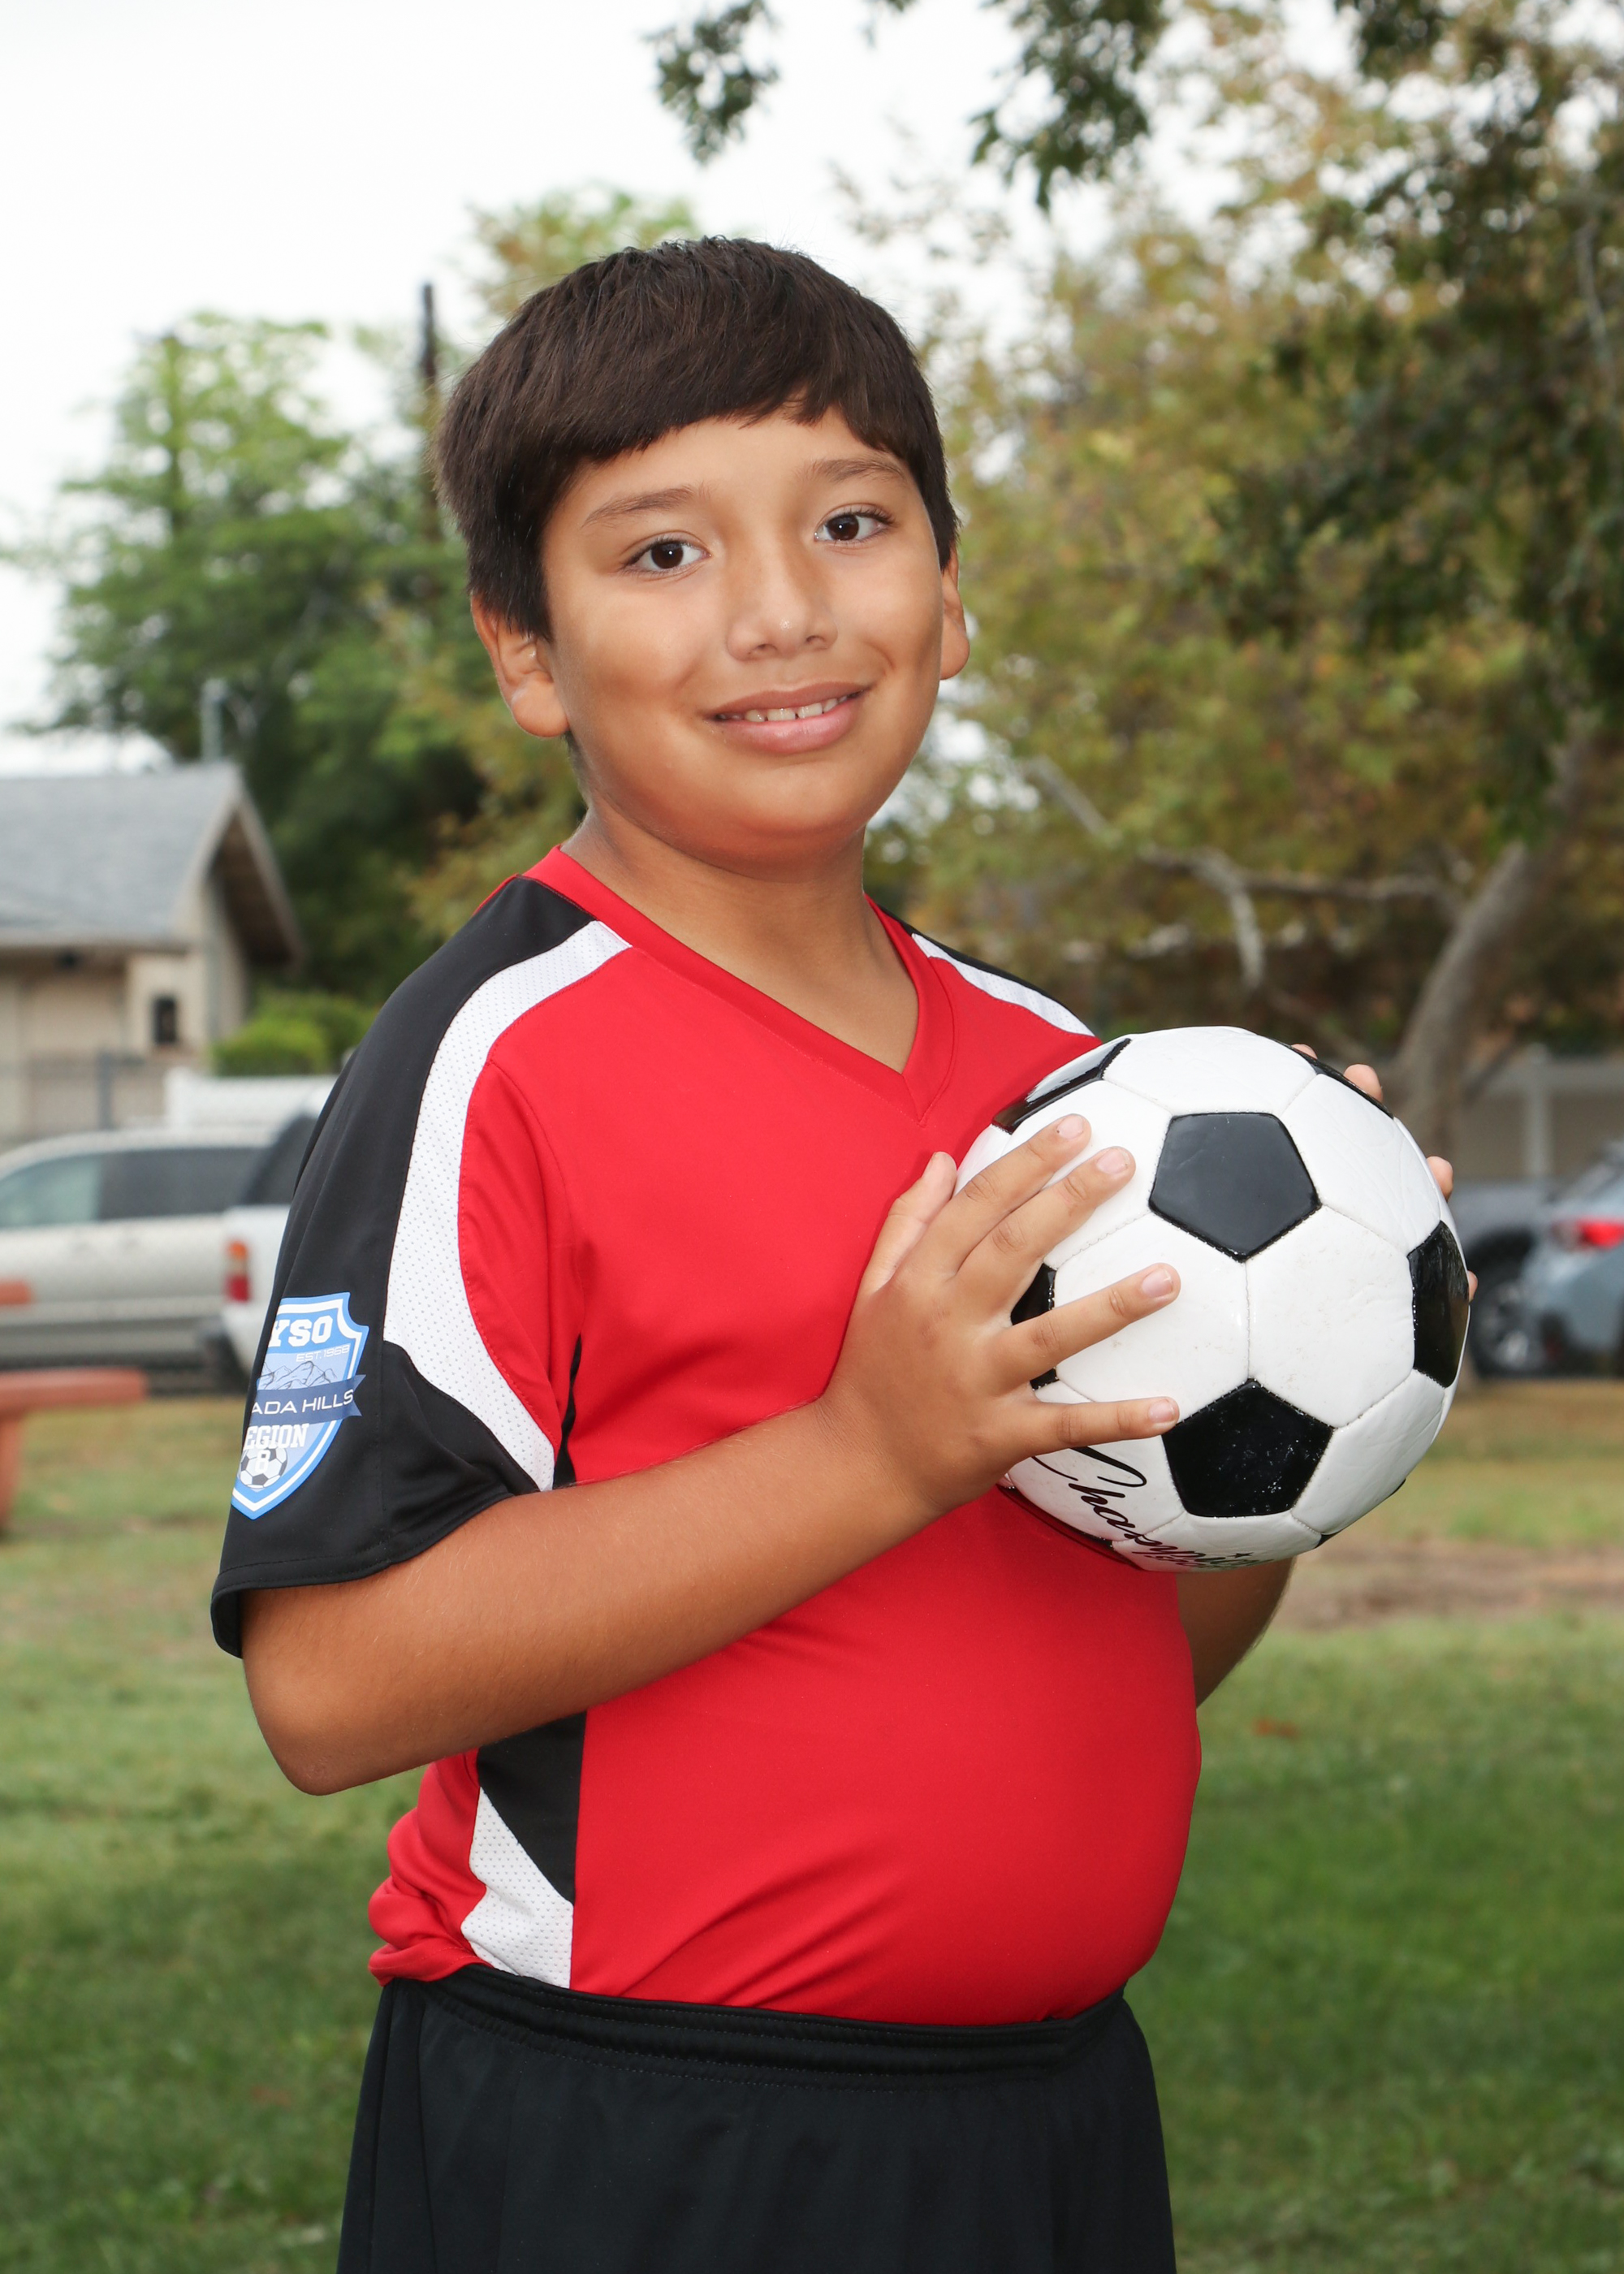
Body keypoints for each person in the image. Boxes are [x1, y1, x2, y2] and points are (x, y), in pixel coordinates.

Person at [213, 239, 1453, 2274]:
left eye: (851, 523)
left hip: (1047, 2118)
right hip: (646, 2130)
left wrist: (1307, 1371)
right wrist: (869, 1449)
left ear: (948, 597)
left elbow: (1138, 1640)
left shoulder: (1073, 1088)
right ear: (528, 654)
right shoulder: (492, 1059)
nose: (779, 609)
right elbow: (330, 1682)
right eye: (662, 551)